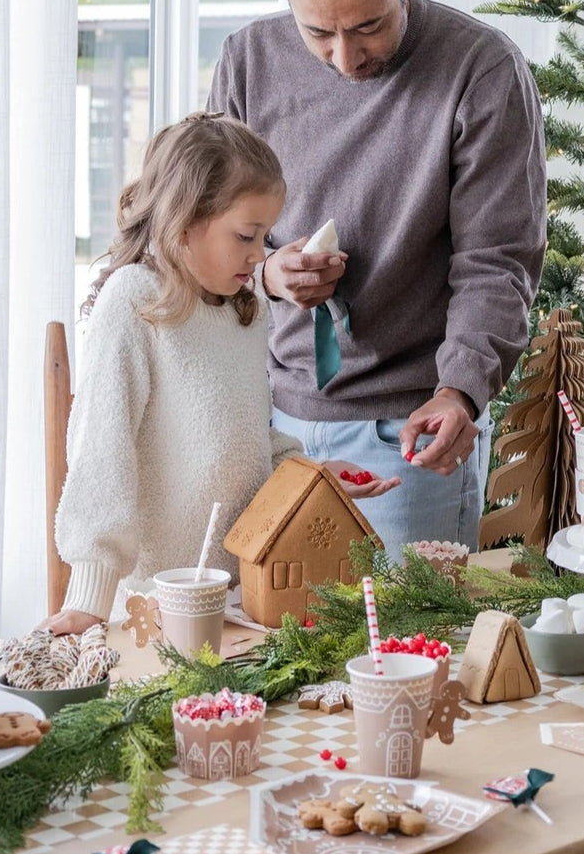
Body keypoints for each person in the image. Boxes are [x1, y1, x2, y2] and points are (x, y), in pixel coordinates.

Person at [207, 0, 547, 557]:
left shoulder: (480, 70)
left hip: (411, 430)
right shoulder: (247, 60)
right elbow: (205, 231)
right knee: (265, 649)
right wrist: (269, 272)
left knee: (403, 652)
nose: (345, 57)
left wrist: (460, 393)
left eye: (369, 26)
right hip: (262, 423)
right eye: (318, 33)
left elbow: (496, 263)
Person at [47, 114, 396, 636]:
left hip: (239, 601)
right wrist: (91, 596)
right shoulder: (135, 302)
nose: (261, 257)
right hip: (156, 608)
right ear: (186, 222)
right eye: (247, 236)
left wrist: (313, 479)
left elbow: (248, 439)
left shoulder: (243, 308)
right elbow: (101, 451)